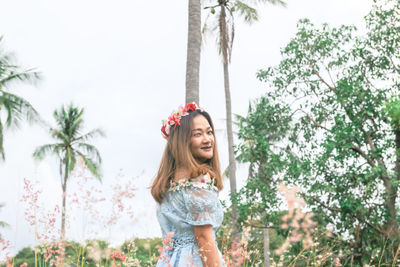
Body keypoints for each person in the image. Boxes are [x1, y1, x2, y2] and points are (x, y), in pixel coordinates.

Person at [151, 102, 226, 267]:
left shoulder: (168, 182)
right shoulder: (199, 180)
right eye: (198, 134)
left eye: (209, 132)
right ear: (182, 141)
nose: (207, 139)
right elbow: (205, 239)